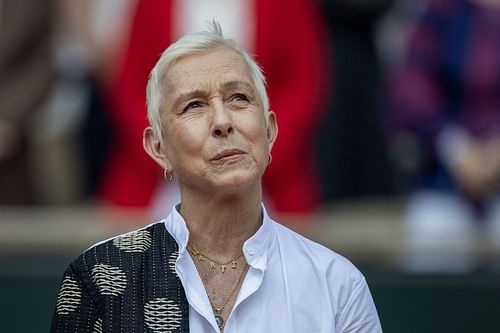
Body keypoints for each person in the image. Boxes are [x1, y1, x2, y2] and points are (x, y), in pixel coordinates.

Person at [51, 23, 382, 332]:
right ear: (157, 147)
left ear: (269, 130)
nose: (223, 121)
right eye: (194, 105)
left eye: (238, 98)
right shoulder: (101, 277)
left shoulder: (337, 284)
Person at [388, 0, 500, 271]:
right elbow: (412, 90)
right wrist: (456, 148)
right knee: (432, 240)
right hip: (443, 177)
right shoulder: (443, 10)